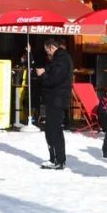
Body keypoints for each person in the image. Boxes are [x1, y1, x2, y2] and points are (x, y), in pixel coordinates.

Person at [35, 36, 73, 169]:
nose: (48, 54)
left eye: (47, 51)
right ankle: (54, 158)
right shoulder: (59, 59)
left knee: (54, 129)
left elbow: (55, 79)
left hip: (57, 99)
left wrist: (43, 74)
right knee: (50, 129)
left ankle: (58, 160)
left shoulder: (62, 59)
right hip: (55, 98)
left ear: (52, 47)